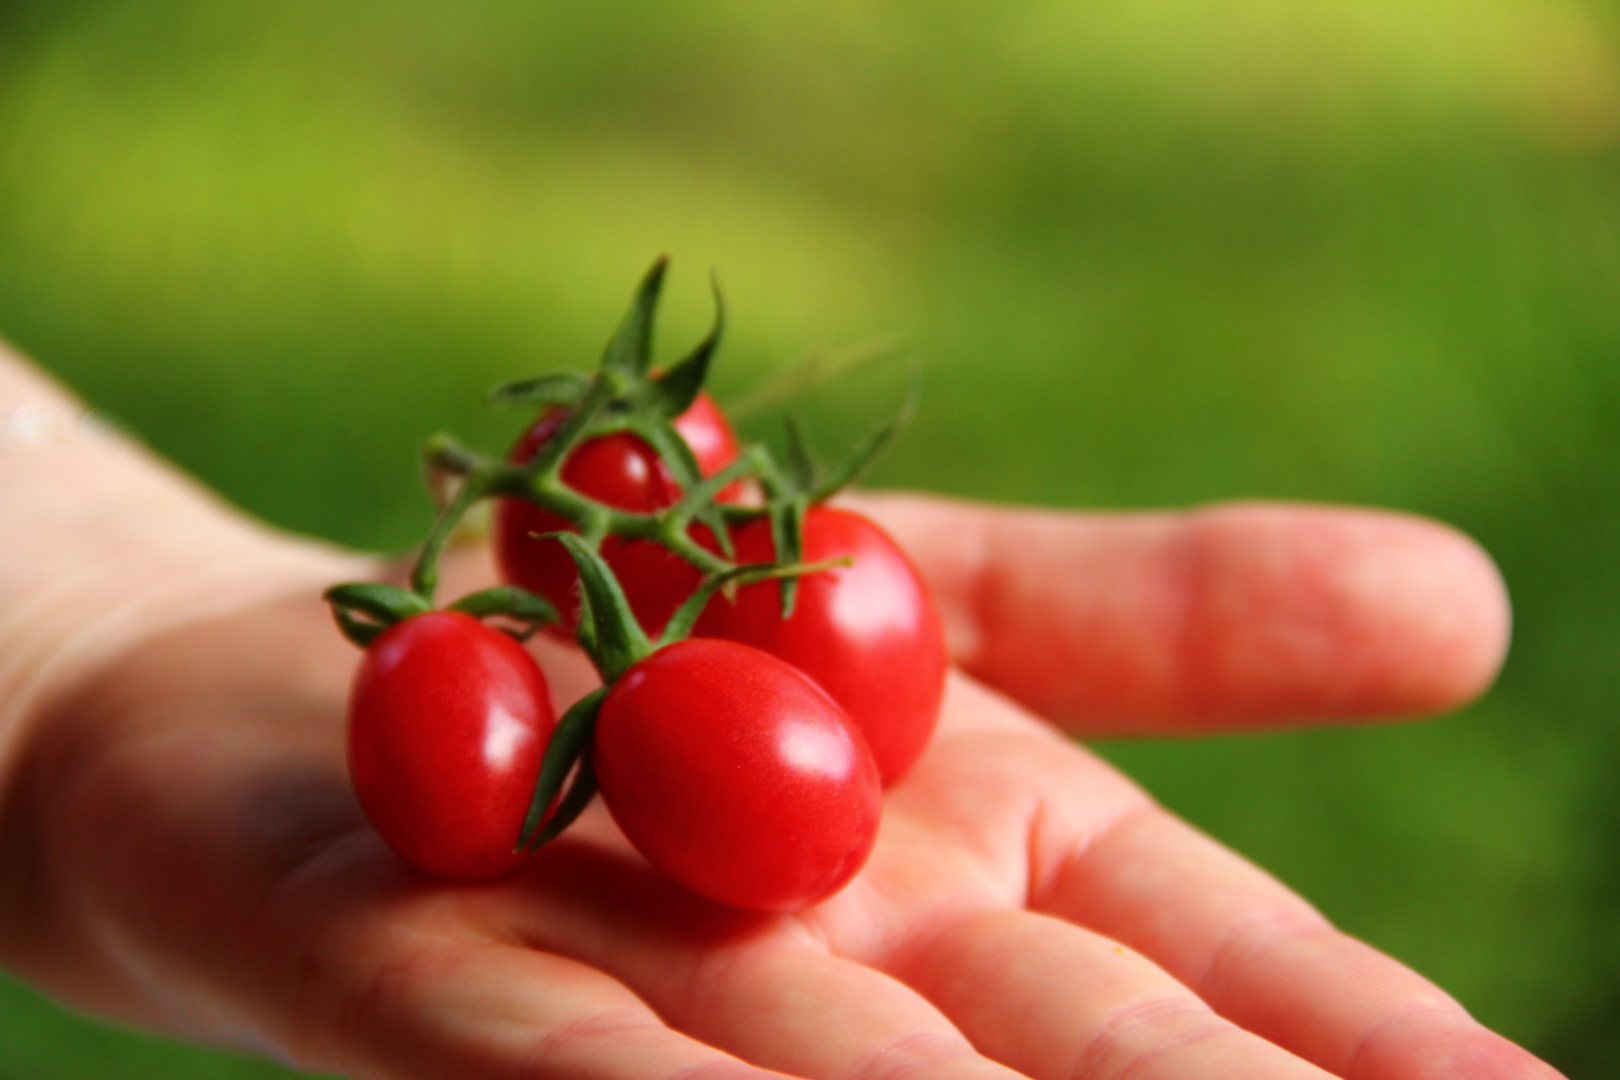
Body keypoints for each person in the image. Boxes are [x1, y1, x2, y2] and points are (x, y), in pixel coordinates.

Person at [0, 337, 1562, 1080]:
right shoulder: (504, 649)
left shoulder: (672, 622)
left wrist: (77, 611)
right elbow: (462, 802)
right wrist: (68, 628)